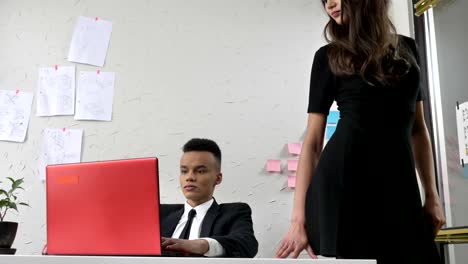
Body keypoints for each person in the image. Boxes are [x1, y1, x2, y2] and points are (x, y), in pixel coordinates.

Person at [275, 0, 445, 263]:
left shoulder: (408, 48)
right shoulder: (328, 56)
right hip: (344, 182)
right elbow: (312, 142)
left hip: (399, 182)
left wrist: (432, 195)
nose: (330, 4)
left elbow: (418, 129)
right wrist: (298, 220)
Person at [160, 138, 258, 258]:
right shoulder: (161, 213)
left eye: (200, 171)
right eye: (184, 171)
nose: (189, 177)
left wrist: (202, 245)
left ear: (218, 178)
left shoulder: (235, 212)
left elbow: (247, 245)